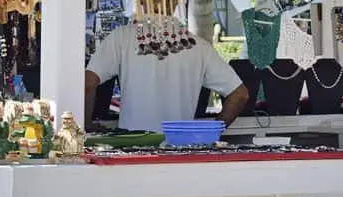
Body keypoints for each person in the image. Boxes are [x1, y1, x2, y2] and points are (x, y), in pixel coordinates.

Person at [84, 14, 249, 132]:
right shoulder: (198, 45)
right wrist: (211, 132)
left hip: (133, 148)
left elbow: (88, 84)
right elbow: (239, 94)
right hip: (179, 149)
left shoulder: (122, 37)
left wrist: (87, 124)